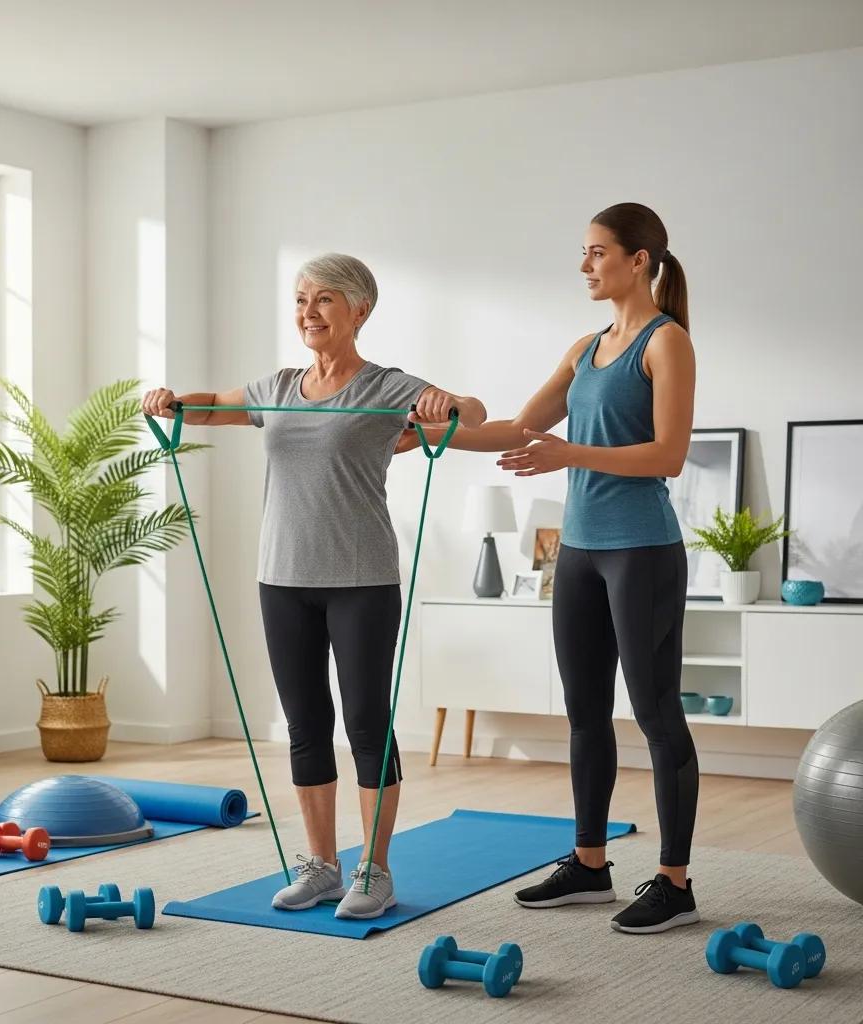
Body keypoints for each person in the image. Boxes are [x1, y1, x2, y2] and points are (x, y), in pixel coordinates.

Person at [143, 253, 487, 920]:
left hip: (361, 580)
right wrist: (170, 400)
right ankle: (322, 865)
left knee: (366, 725)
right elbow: (212, 407)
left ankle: (374, 871)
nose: (308, 310)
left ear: (359, 310)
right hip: (283, 579)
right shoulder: (278, 386)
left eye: (324, 299)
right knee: (305, 726)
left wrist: (448, 402)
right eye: (301, 299)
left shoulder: (386, 386)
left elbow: (469, 412)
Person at [397, 203, 700, 933]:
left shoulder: (667, 344)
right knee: (584, 712)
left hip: (641, 549)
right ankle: (590, 864)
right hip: (582, 552)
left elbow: (667, 455)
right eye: (584, 252)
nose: (585, 264)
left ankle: (674, 881)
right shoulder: (584, 347)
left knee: (656, 712)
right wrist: (426, 435)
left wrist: (570, 455)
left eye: (598, 252)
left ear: (638, 260)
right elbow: (516, 428)